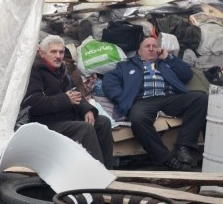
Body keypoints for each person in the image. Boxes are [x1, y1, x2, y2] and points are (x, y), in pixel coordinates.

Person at [103, 36, 208, 171]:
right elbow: (109, 81)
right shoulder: (125, 65)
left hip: (168, 97)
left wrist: (169, 58)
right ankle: (165, 158)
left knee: (200, 98)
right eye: (147, 46)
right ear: (139, 51)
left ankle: (184, 146)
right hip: (142, 100)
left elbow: (187, 74)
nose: (152, 49)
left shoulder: (165, 63)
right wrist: (122, 98)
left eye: (154, 46)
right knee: (137, 118)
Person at [23, 35, 113, 168]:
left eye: (61, 52)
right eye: (53, 52)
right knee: (86, 128)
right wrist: (65, 99)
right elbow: (32, 103)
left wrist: (87, 109)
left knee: (103, 122)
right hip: (46, 123)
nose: (58, 56)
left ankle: (107, 170)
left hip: (65, 117)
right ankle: (96, 176)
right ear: (42, 53)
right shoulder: (34, 71)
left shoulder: (60, 69)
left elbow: (74, 92)